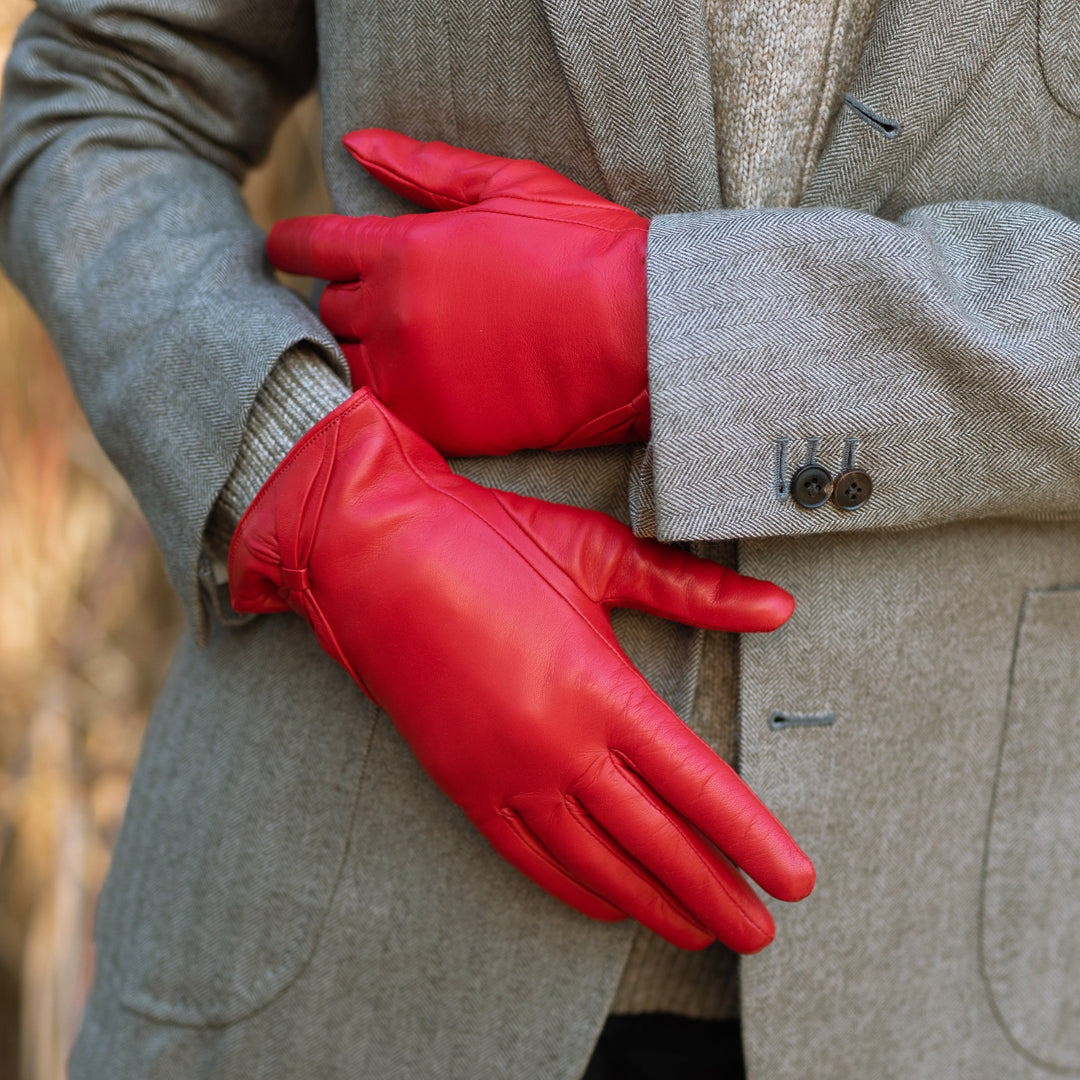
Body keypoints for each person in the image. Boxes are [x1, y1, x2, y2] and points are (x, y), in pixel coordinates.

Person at [2, 0, 1080, 1077]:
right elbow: (102, 89)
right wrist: (317, 497)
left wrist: (659, 325)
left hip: (971, 980)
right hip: (337, 939)